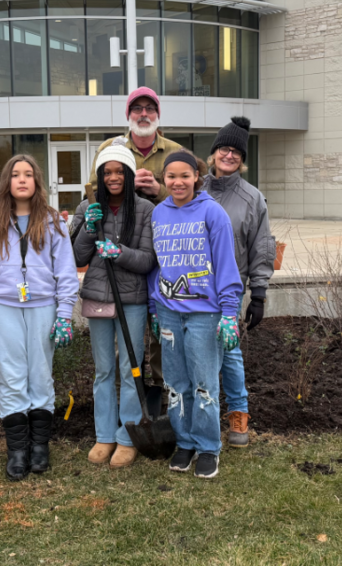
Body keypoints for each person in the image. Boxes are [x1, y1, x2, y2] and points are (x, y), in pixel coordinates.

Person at [0, 154, 79, 481]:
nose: (21, 179)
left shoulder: (53, 222)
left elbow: (67, 273)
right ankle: (17, 450)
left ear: (37, 182)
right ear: (7, 182)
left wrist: (64, 315)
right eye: (15, 174)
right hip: (3, 308)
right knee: (11, 376)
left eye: (28, 174)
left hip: (42, 306)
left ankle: (40, 446)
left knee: (41, 374)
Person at [149, 149, 243, 479]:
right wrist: (153, 306)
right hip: (169, 312)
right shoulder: (158, 214)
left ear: (196, 177)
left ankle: (207, 447)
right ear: (164, 179)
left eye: (184, 176)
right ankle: (185, 442)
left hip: (205, 313)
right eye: (171, 176)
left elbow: (226, 266)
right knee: (176, 384)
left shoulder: (212, 214)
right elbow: (156, 265)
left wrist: (230, 313)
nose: (178, 182)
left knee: (204, 384)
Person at [88, 87, 184, 389]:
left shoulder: (175, 151)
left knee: (162, 323)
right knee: (125, 328)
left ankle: (161, 391)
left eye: (149, 109)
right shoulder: (110, 146)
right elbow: (91, 191)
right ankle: (128, 393)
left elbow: (194, 195)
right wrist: (125, 187)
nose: (143, 114)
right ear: (128, 115)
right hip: (124, 245)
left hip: (167, 247)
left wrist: (159, 191)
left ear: (158, 114)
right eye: (137, 109)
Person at [72, 140, 157, 469]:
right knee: (104, 370)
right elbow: (78, 256)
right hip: (97, 297)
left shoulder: (145, 210)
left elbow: (148, 260)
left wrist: (119, 253)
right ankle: (104, 435)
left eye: (119, 171)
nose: (113, 177)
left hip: (131, 299)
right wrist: (89, 228)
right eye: (106, 172)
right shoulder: (87, 206)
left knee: (130, 368)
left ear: (130, 174)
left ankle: (127, 436)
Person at [204, 117, 276, 448]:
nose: (229, 155)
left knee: (230, 353)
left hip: (228, 291)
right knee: (195, 353)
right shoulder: (195, 189)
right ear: (214, 152)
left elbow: (261, 246)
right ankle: (200, 414)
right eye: (224, 149)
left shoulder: (252, 198)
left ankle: (238, 413)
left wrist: (258, 293)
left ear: (242, 159)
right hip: (192, 290)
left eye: (236, 152)